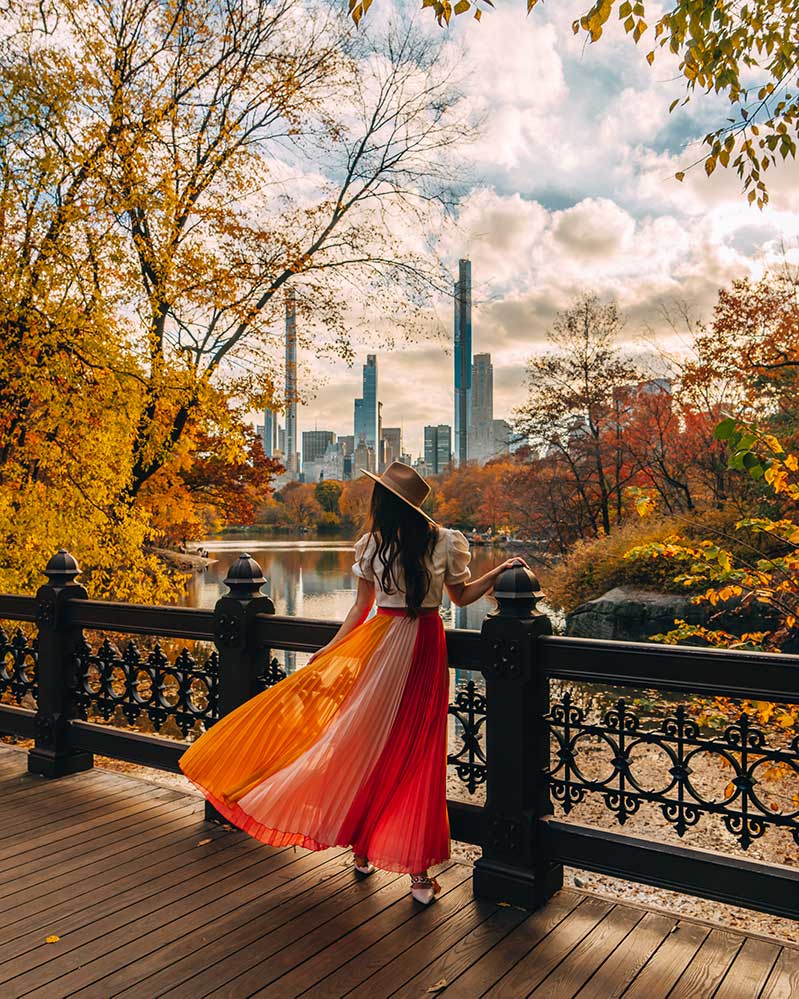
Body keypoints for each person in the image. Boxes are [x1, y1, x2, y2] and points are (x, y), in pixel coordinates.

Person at [179, 461, 526, 904]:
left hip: (380, 645)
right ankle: (417, 877)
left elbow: (360, 610)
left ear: (382, 501)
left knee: (364, 745)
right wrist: (497, 575)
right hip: (423, 645)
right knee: (416, 755)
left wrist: (332, 650)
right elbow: (461, 597)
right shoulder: (444, 542)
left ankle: (363, 850)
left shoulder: (372, 546)